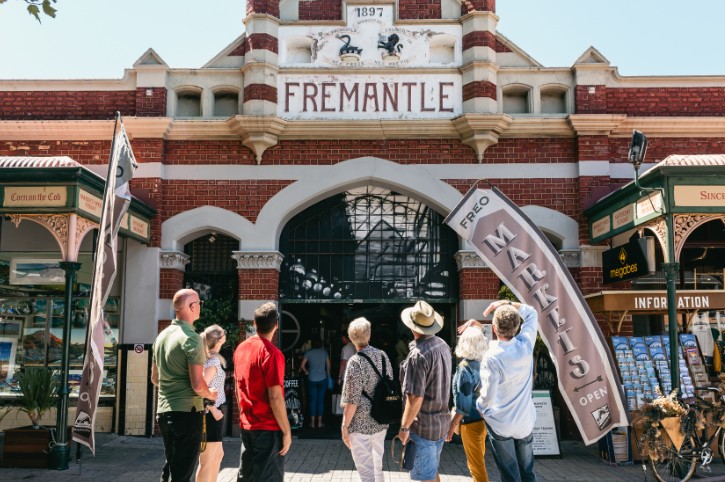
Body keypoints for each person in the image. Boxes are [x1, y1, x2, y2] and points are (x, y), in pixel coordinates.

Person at [460, 299, 539, 482]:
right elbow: (532, 313)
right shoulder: (526, 344)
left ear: (495, 328)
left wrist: (481, 408)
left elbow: (487, 395)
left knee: (510, 475)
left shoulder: (491, 356)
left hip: (501, 423)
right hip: (524, 421)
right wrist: (507, 302)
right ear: (517, 326)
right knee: (528, 472)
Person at [152, 289, 218, 482]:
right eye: (199, 303)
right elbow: (198, 386)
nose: (200, 307)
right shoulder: (192, 338)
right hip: (187, 413)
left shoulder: (161, 337)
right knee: (182, 474)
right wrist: (211, 393)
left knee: (172, 468)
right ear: (192, 307)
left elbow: (155, 379)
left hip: (164, 412)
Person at [234, 302, 291, 482]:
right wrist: (287, 431)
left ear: (254, 323)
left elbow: (238, 388)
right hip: (267, 427)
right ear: (276, 325)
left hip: (247, 425)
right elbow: (275, 396)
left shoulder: (241, 349)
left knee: (247, 477)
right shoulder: (272, 354)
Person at [398, 300, 451, 482]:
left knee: (425, 477)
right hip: (441, 423)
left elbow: (415, 398)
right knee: (431, 471)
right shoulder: (442, 345)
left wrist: (404, 428)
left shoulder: (418, 355)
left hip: (423, 427)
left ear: (412, 327)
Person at [340, 317, 392, 482]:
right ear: (368, 335)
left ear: (351, 337)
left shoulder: (355, 362)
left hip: (360, 424)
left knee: (366, 472)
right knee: (378, 467)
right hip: (381, 419)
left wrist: (344, 426)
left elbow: (352, 399)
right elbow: (390, 382)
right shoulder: (383, 356)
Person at [445, 325, 490, 482]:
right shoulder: (483, 364)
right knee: (479, 460)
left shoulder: (465, 368)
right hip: (483, 420)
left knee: (476, 466)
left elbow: (463, 405)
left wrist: (451, 427)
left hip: (470, 422)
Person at [196, 325, 227, 482]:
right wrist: (213, 409)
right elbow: (200, 389)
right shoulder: (213, 361)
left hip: (213, 414)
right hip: (210, 415)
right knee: (207, 462)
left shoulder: (212, 358)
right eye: (223, 333)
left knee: (217, 456)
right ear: (219, 339)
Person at [300, 338, 331, 429]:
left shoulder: (308, 353)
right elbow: (328, 367)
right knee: (320, 400)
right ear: (321, 344)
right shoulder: (324, 352)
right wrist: (327, 375)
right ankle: (320, 423)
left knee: (313, 401)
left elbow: (302, 366)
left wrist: (306, 372)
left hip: (312, 379)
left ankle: (313, 423)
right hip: (322, 379)